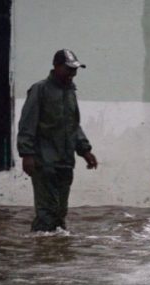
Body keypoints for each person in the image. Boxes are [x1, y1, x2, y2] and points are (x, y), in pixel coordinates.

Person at [17, 49, 98, 232]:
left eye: (75, 70)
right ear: (56, 67)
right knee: (47, 212)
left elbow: (73, 125)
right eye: (68, 69)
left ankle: (57, 254)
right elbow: (27, 124)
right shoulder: (40, 89)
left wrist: (85, 150)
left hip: (65, 161)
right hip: (43, 160)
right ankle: (41, 251)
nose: (72, 74)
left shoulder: (70, 92)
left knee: (60, 212)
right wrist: (27, 154)